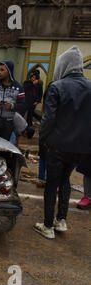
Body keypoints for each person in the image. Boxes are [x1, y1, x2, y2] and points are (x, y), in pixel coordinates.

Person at [35, 46, 91, 239]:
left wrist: (43, 141)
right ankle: (62, 220)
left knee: (52, 184)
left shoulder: (56, 87)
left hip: (57, 145)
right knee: (65, 181)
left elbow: (48, 119)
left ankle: (48, 225)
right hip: (80, 148)